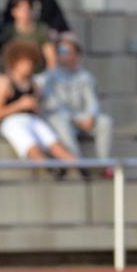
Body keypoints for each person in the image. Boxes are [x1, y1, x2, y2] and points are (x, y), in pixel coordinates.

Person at [0, 39, 75, 178]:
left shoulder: (34, 84)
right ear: (15, 62)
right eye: (25, 62)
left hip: (33, 119)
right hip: (12, 121)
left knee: (55, 144)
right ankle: (51, 170)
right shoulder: (5, 83)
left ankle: (82, 167)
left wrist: (35, 107)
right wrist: (19, 105)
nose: (28, 66)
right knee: (32, 146)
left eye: (30, 62)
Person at [40, 35, 114, 178]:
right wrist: (74, 118)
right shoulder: (49, 76)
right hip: (62, 119)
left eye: (69, 51)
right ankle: (78, 162)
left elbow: (92, 101)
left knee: (105, 122)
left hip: (81, 118)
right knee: (59, 120)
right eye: (62, 51)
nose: (66, 55)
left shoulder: (85, 77)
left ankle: (103, 164)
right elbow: (51, 104)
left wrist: (91, 116)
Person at [0, 0, 54, 72]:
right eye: (21, 9)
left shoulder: (41, 30)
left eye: (28, 9)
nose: (25, 13)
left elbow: (51, 58)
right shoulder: (8, 32)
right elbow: (5, 58)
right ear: (13, 12)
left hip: (38, 75)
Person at [3, 0, 70, 38]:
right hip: (21, 32)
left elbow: (57, 17)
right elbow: (7, 20)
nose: (26, 12)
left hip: (45, 31)